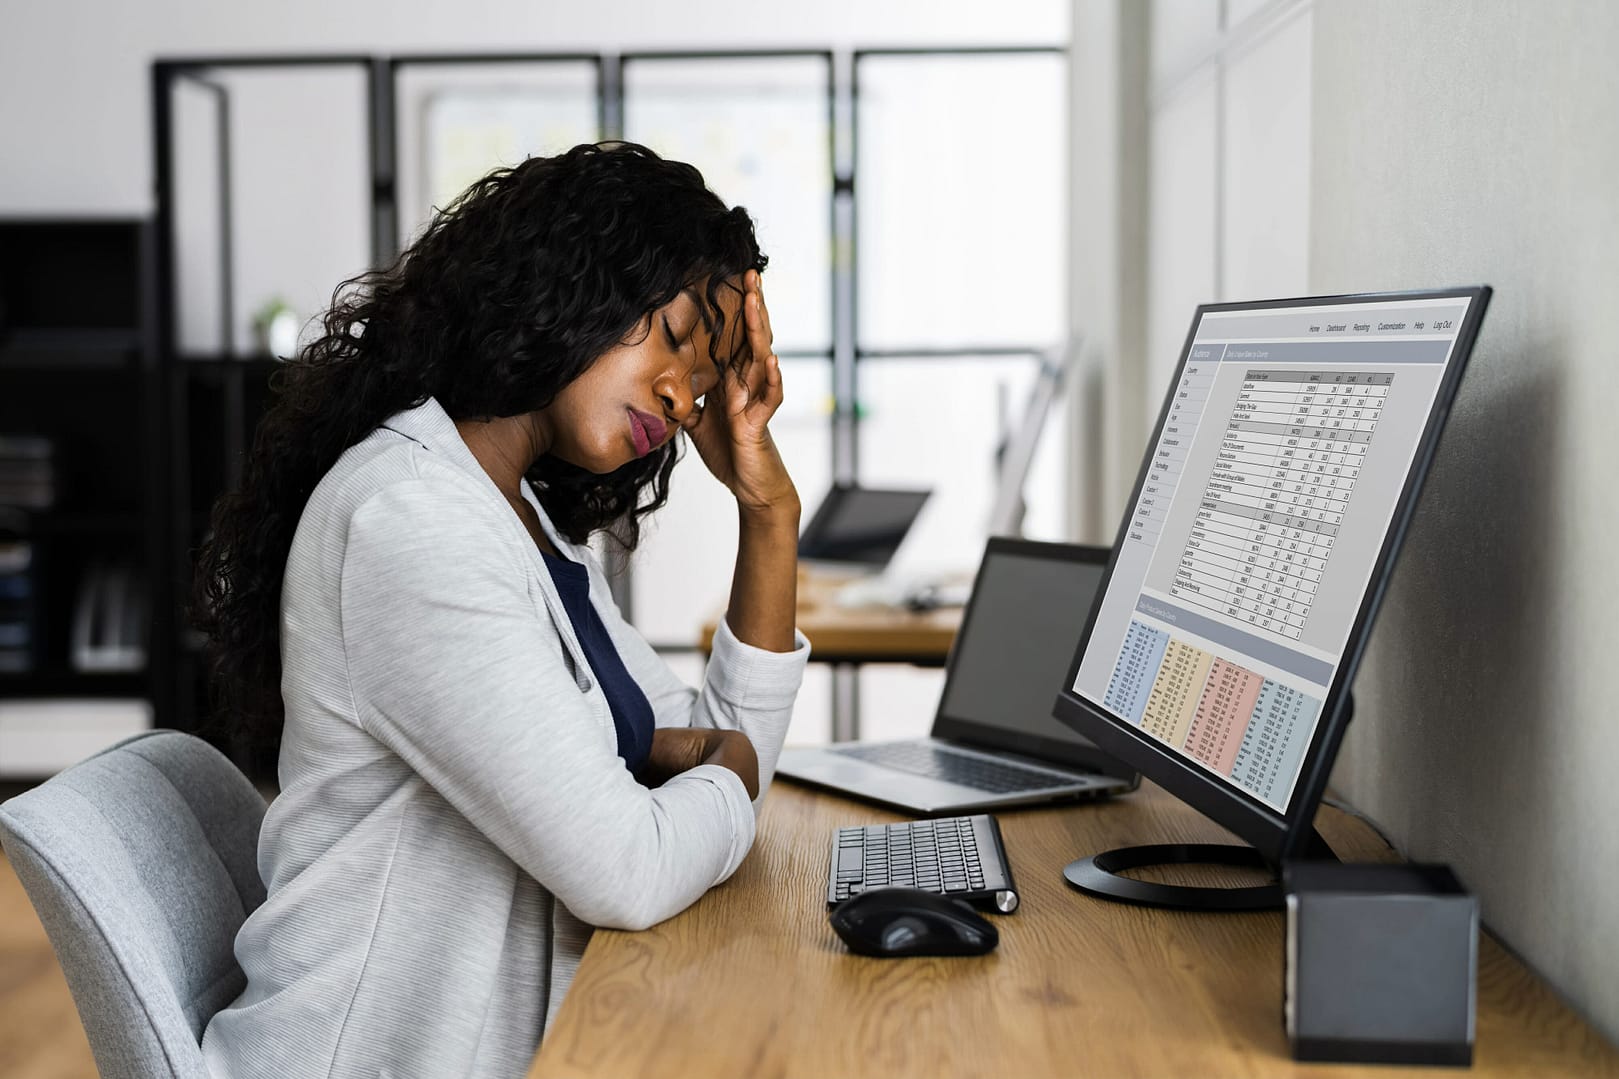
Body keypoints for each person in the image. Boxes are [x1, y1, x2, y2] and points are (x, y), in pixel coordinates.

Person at [191, 142, 810, 1079]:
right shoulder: (413, 522)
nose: (685, 396)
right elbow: (630, 867)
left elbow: (719, 744)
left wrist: (768, 514)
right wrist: (722, 773)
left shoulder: (521, 524)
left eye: (709, 374)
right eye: (679, 334)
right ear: (576, 282)